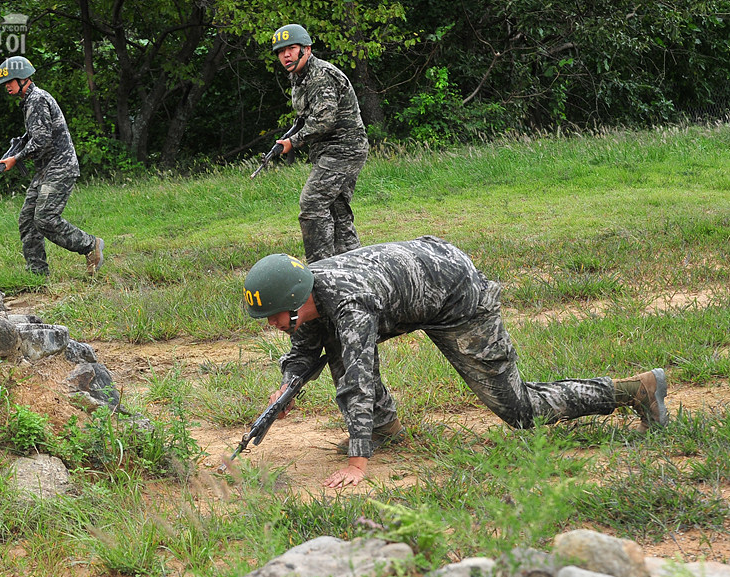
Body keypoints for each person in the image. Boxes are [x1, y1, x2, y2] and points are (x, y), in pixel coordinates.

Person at [242, 236, 669, 489]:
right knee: (337, 344)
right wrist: (286, 387)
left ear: (297, 301)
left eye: (275, 316)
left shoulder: (349, 304)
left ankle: (636, 389)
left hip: (457, 297)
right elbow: (305, 350)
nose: (273, 325)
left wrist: (358, 461)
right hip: (421, 278)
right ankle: (384, 428)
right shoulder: (310, 294)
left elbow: (357, 380)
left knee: (520, 410)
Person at [0, 55, 105, 276]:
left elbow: (41, 140)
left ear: (23, 78)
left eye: (10, 81)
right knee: (27, 220)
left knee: (44, 218)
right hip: (46, 169)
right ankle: (37, 273)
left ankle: (90, 245)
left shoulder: (36, 99)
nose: (7, 86)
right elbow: (34, 136)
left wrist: (15, 159)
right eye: (5, 83)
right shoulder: (29, 101)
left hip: (60, 167)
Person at [270, 24, 369, 263]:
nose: (286, 55)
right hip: (330, 150)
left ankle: (320, 269)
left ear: (307, 49)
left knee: (312, 203)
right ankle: (355, 268)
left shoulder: (320, 75)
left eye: (291, 48)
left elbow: (323, 122)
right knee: (337, 212)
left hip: (344, 149)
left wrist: (291, 143)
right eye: (281, 51)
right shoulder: (298, 76)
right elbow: (306, 115)